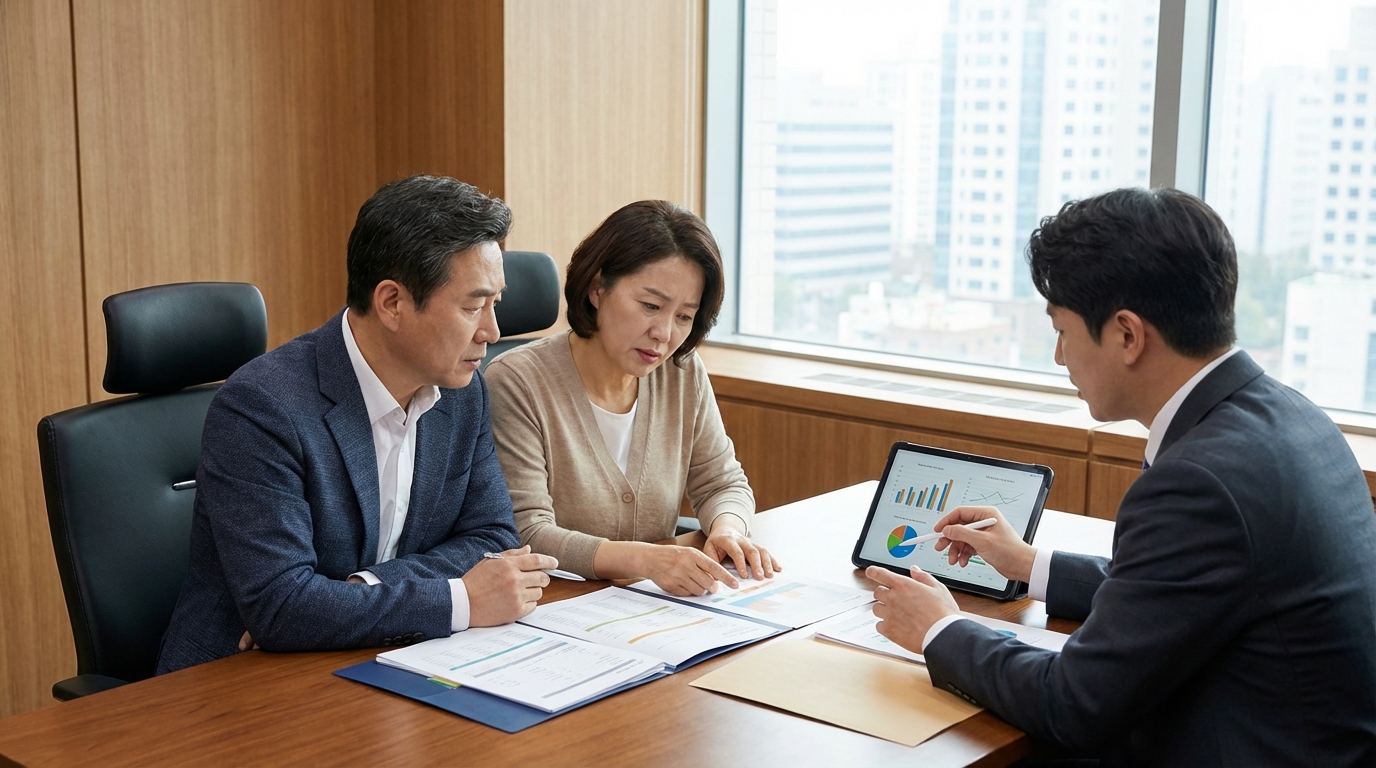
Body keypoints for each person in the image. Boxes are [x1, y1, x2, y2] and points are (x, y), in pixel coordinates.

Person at [866, 188, 1376, 765]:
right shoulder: (1292, 418)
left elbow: (1075, 705)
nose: (1059, 358)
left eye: (1062, 330)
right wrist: (1030, 565)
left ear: (1128, 335)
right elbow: (1175, 588)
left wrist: (941, 630)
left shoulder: (1199, 481)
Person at [157, 175, 557, 674]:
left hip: (383, 657)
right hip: (235, 684)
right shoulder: (261, 406)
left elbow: (492, 536)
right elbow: (281, 607)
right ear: (392, 303)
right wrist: (458, 598)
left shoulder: (461, 390)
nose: (492, 332)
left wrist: (356, 589)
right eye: (473, 306)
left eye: (494, 303)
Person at [485, 200, 779, 597]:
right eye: (651, 306)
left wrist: (727, 530)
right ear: (597, 288)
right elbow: (530, 531)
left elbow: (722, 483)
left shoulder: (682, 373)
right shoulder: (518, 381)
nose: (664, 333)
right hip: (554, 605)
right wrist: (645, 561)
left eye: (684, 316)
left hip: (652, 606)